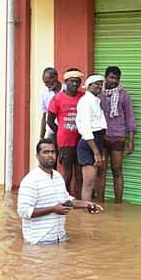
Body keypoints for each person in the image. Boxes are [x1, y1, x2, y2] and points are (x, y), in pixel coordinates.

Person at [16, 138, 103, 244]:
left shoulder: (57, 177)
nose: (50, 155)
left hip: (60, 240)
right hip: (39, 243)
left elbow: (66, 201)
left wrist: (86, 204)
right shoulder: (31, 180)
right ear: (37, 156)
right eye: (45, 152)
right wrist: (52, 209)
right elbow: (24, 211)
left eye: (52, 152)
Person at [98, 66, 137, 203]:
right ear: (105, 77)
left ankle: (118, 204)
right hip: (101, 137)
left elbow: (130, 118)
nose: (114, 81)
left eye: (117, 78)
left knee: (117, 170)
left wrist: (131, 141)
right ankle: (100, 203)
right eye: (111, 77)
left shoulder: (124, 95)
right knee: (101, 171)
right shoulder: (98, 93)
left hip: (118, 137)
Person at [46, 68, 84, 197]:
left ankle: (78, 200)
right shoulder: (57, 99)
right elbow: (49, 120)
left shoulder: (83, 97)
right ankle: (64, 198)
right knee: (67, 174)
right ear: (66, 81)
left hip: (81, 141)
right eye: (72, 81)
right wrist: (60, 131)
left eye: (77, 82)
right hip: (65, 141)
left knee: (79, 173)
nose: (75, 84)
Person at [76, 74, 108, 202]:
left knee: (92, 181)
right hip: (89, 143)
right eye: (97, 84)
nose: (100, 86)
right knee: (88, 184)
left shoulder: (95, 100)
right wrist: (96, 152)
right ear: (89, 85)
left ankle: (91, 212)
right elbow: (86, 129)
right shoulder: (85, 102)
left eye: (101, 84)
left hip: (97, 141)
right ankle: (87, 216)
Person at [38, 67, 62, 140]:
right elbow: (44, 116)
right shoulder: (44, 93)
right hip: (52, 133)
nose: (46, 85)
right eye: (45, 83)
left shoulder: (66, 90)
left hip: (66, 132)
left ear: (55, 77)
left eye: (48, 82)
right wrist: (41, 137)